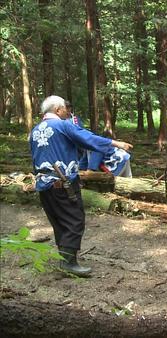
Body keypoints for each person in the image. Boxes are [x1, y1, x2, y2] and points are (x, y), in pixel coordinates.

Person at [30, 95, 133, 277]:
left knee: (59, 221)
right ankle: (69, 263)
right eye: (64, 110)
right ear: (57, 110)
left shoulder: (35, 130)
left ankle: (64, 259)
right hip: (63, 183)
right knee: (74, 220)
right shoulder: (63, 125)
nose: (67, 113)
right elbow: (87, 138)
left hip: (44, 184)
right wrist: (115, 143)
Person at [66, 101, 133, 177]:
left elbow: (97, 150)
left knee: (117, 183)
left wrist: (90, 170)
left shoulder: (90, 142)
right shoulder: (85, 144)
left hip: (117, 160)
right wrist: (79, 170)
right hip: (118, 158)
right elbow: (84, 159)